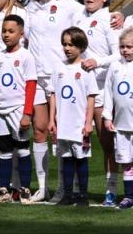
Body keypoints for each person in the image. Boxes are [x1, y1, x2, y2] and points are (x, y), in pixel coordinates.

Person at [24, 0, 83, 203]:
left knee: (64, 135)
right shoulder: (30, 7)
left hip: (63, 77)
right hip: (37, 77)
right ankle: (42, 187)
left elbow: (88, 19)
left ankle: (66, 188)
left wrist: (117, 16)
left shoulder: (69, 6)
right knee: (39, 130)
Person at [74, 0, 128, 205]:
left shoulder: (109, 20)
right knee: (77, 142)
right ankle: (74, 189)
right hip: (81, 90)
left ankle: (111, 189)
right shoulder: (78, 17)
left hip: (102, 91)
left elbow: (120, 53)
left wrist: (98, 61)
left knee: (108, 144)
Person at [0, 15, 37, 203]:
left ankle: (24, 189)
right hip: (0, 110)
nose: (6, 35)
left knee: (23, 149)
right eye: (4, 31)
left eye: (11, 31)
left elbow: (31, 86)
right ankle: (4, 189)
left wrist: (27, 113)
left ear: (21, 33)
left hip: (18, 109)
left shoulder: (26, 56)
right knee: (4, 149)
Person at [48, 27, 97, 207]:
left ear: (81, 47)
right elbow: (52, 94)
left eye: (71, 45)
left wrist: (88, 122)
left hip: (79, 124)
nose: (67, 48)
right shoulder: (58, 67)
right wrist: (52, 119)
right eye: (65, 44)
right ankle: (67, 195)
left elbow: (91, 97)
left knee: (81, 159)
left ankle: (82, 195)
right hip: (62, 123)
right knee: (66, 159)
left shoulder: (86, 69)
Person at [103, 26, 133, 209]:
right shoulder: (114, 66)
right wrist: (107, 116)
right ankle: (129, 196)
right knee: (126, 163)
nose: (125, 50)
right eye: (122, 47)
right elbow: (108, 92)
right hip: (121, 125)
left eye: (130, 47)